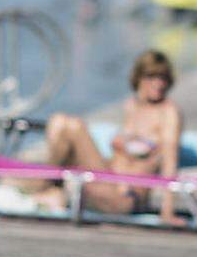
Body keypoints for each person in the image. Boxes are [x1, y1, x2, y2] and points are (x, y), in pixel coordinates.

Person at [40, 50, 185, 225]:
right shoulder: (131, 106)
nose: (158, 83)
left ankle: (46, 190)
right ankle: (52, 190)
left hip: (126, 196)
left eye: (163, 78)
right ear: (138, 77)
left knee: (74, 126)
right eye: (151, 77)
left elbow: (170, 162)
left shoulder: (168, 112)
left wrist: (167, 213)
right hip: (106, 180)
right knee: (59, 121)